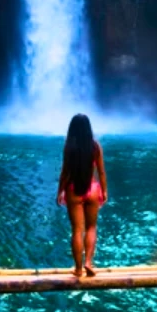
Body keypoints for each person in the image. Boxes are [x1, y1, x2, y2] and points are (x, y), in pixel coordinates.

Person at [56, 114, 108, 278]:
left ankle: (78, 269)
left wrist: (60, 191)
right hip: (92, 189)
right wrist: (104, 191)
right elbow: (101, 171)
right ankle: (89, 263)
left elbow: (65, 172)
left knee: (77, 230)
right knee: (91, 227)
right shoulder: (95, 146)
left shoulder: (68, 147)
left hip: (74, 190)